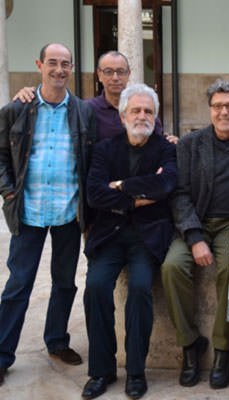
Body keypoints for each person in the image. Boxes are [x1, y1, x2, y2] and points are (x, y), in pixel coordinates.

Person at [160, 79, 229, 389]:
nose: (225, 112)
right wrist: (194, 238)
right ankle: (190, 344)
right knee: (171, 267)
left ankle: (223, 350)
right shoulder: (189, 144)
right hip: (195, 222)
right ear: (210, 110)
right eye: (218, 106)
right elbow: (180, 194)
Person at [0, 43, 96, 386]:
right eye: (52, 63)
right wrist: (8, 189)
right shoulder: (19, 107)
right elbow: (0, 153)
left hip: (69, 211)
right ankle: (2, 355)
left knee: (64, 282)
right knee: (18, 284)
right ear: (39, 65)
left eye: (65, 64)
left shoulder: (83, 112)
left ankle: (56, 341)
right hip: (28, 211)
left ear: (71, 68)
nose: (59, 69)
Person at [81, 84, 177, 399]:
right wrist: (136, 198)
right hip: (109, 235)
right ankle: (101, 370)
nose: (141, 116)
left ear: (156, 117)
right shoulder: (105, 149)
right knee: (95, 287)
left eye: (148, 111)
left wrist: (121, 186)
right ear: (123, 116)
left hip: (147, 237)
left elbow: (165, 184)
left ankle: (136, 371)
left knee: (139, 289)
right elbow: (95, 193)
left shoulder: (166, 148)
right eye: (135, 110)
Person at [12, 51, 176, 144]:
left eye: (120, 71)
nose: (115, 77)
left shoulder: (143, 110)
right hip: (100, 193)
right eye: (108, 72)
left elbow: (157, 143)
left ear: (129, 74)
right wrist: (31, 93)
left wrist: (171, 142)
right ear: (99, 75)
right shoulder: (86, 109)